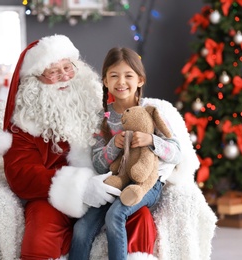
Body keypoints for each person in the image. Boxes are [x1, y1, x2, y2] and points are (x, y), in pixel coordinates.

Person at [1, 35, 157, 259]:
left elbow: (143, 121)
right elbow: (20, 174)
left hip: (111, 184)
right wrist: (80, 187)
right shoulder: (25, 123)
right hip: (54, 197)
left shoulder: (100, 99)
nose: (64, 77)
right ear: (34, 80)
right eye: (53, 72)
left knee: (139, 217)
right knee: (40, 235)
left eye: (68, 67)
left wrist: (159, 155)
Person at [69, 47, 182, 260]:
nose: (121, 82)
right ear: (105, 81)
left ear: (140, 80)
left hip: (145, 183)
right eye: (114, 76)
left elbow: (176, 153)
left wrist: (151, 140)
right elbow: (99, 165)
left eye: (128, 75)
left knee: (115, 215)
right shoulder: (100, 117)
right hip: (116, 180)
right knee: (81, 228)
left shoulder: (151, 110)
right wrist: (113, 145)